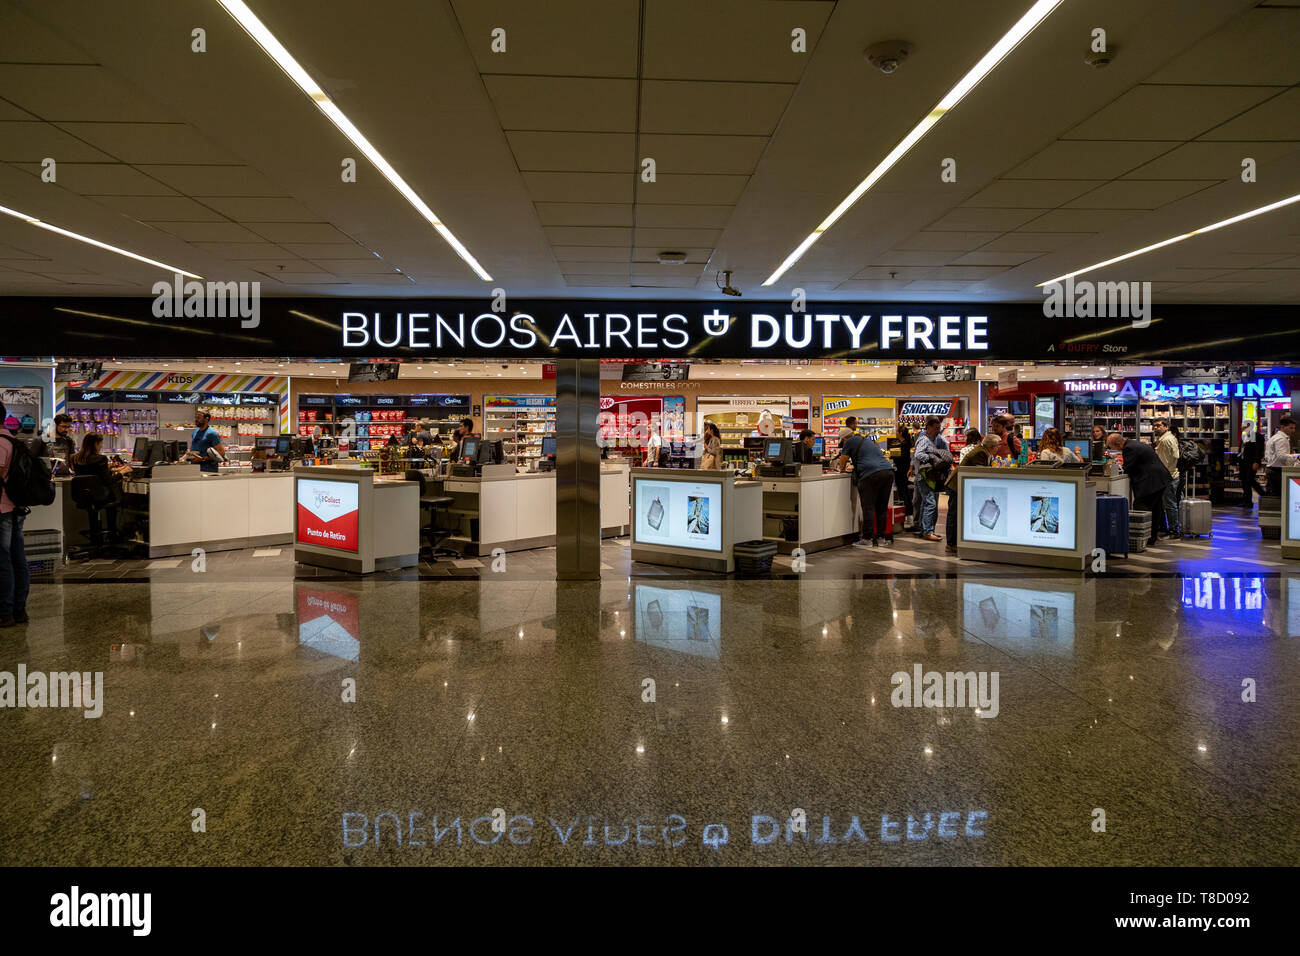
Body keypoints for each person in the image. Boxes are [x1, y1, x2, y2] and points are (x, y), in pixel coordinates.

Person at [1108, 432, 1170, 547]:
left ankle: (1141, 537)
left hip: (1151, 481)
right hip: (1159, 479)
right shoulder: (1134, 444)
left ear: (1118, 443)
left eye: (1113, 447)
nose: (1114, 450)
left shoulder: (1128, 448)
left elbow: (1128, 467)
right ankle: (1151, 537)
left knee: (1140, 507)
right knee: (1155, 508)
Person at [0, 402, 32, 626]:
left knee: (3, 560)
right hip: (14, 507)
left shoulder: (0, 443)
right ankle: (19, 608)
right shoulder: (12, 440)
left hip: (2, 509)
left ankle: (5, 610)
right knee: (17, 557)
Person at [71, 432, 131, 547]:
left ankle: (96, 539)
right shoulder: (101, 459)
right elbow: (108, 481)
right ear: (96, 444)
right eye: (101, 443)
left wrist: (110, 468)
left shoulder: (76, 458)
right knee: (114, 500)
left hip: (83, 497)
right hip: (100, 497)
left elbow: (93, 473)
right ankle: (113, 535)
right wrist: (123, 472)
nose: (101, 446)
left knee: (96, 505)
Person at [838, 429, 896, 548]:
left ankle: (867, 538)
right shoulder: (867, 440)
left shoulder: (849, 442)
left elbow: (842, 460)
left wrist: (842, 470)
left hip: (870, 474)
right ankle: (881, 538)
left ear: (844, 439)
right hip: (888, 472)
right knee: (881, 507)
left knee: (868, 506)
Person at [946, 435, 1001, 552]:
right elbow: (982, 471)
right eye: (997, 446)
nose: (998, 448)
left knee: (956, 513)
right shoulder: (981, 453)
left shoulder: (983, 451)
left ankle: (954, 542)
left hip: (959, 484)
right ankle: (950, 544)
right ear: (992, 446)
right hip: (956, 485)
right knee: (954, 514)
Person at [911, 416, 951, 542]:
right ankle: (927, 531)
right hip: (924, 476)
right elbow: (918, 455)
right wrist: (931, 457)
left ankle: (924, 530)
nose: (938, 430)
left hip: (924, 476)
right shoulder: (925, 439)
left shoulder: (931, 439)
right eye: (936, 428)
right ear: (928, 428)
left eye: (939, 428)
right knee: (930, 502)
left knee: (925, 503)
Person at [1152, 418, 1181, 538]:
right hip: (1171, 475)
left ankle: (1174, 531)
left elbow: (1163, 462)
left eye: (1158, 425)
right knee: (1168, 503)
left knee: (1169, 504)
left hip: (1167, 476)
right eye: (1154, 426)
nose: (1155, 428)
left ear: (1166, 427)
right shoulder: (1169, 438)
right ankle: (1169, 529)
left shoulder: (1165, 440)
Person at [184, 409, 227, 473]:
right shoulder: (195, 431)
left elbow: (221, 453)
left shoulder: (212, 433)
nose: (196, 420)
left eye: (198, 417)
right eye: (195, 417)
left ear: (206, 419)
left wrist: (203, 458)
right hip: (194, 469)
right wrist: (183, 458)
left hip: (208, 470)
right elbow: (192, 448)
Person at [1263, 417, 1296, 496]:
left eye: (1294, 428)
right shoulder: (1281, 439)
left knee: (1273, 495)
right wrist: (1296, 456)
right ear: (1283, 427)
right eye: (1291, 428)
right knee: (1279, 496)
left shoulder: (1275, 437)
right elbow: (1281, 456)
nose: (1293, 430)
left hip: (1272, 470)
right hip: (1277, 471)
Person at [1239, 424, 1265, 510]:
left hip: (1251, 462)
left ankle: (1264, 495)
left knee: (1250, 479)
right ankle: (1247, 501)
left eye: (1244, 426)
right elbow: (1242, 449)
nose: (1241, 428)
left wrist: (1256, 461)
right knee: (1245, 481)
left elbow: (1258, 450)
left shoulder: (1256, 436)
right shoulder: (1244, 436)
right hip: (1243, 462)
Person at [894, 424, 914, 529]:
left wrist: (893, 456)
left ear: (900, 433)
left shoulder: (903, 445)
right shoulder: (905, 444)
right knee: (904, 493)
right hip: (903, 472)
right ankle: (908, 516)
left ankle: (908, 517)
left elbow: (899, 458)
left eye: (897, 431)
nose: (896, 433)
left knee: (903, 494)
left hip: (902, 472)